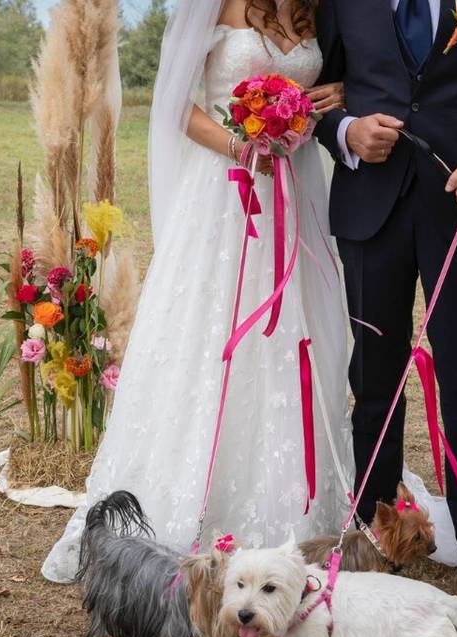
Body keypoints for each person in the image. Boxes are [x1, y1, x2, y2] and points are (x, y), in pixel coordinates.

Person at [42, 0, 351, 583]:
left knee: (294, 339)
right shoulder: (220, 5)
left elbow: (333, 87)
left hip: (296, 190)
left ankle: (297, 503)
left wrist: (332, 98)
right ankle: (196, 497)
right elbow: (174, 105)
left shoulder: (317, 9)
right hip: (227, 195)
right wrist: (243, 147)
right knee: (211, 339)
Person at [315, 0, 457, 622]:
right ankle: (374, 535)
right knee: (374, 382)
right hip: (371, 213)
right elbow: (317, 94)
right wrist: (346, 133)